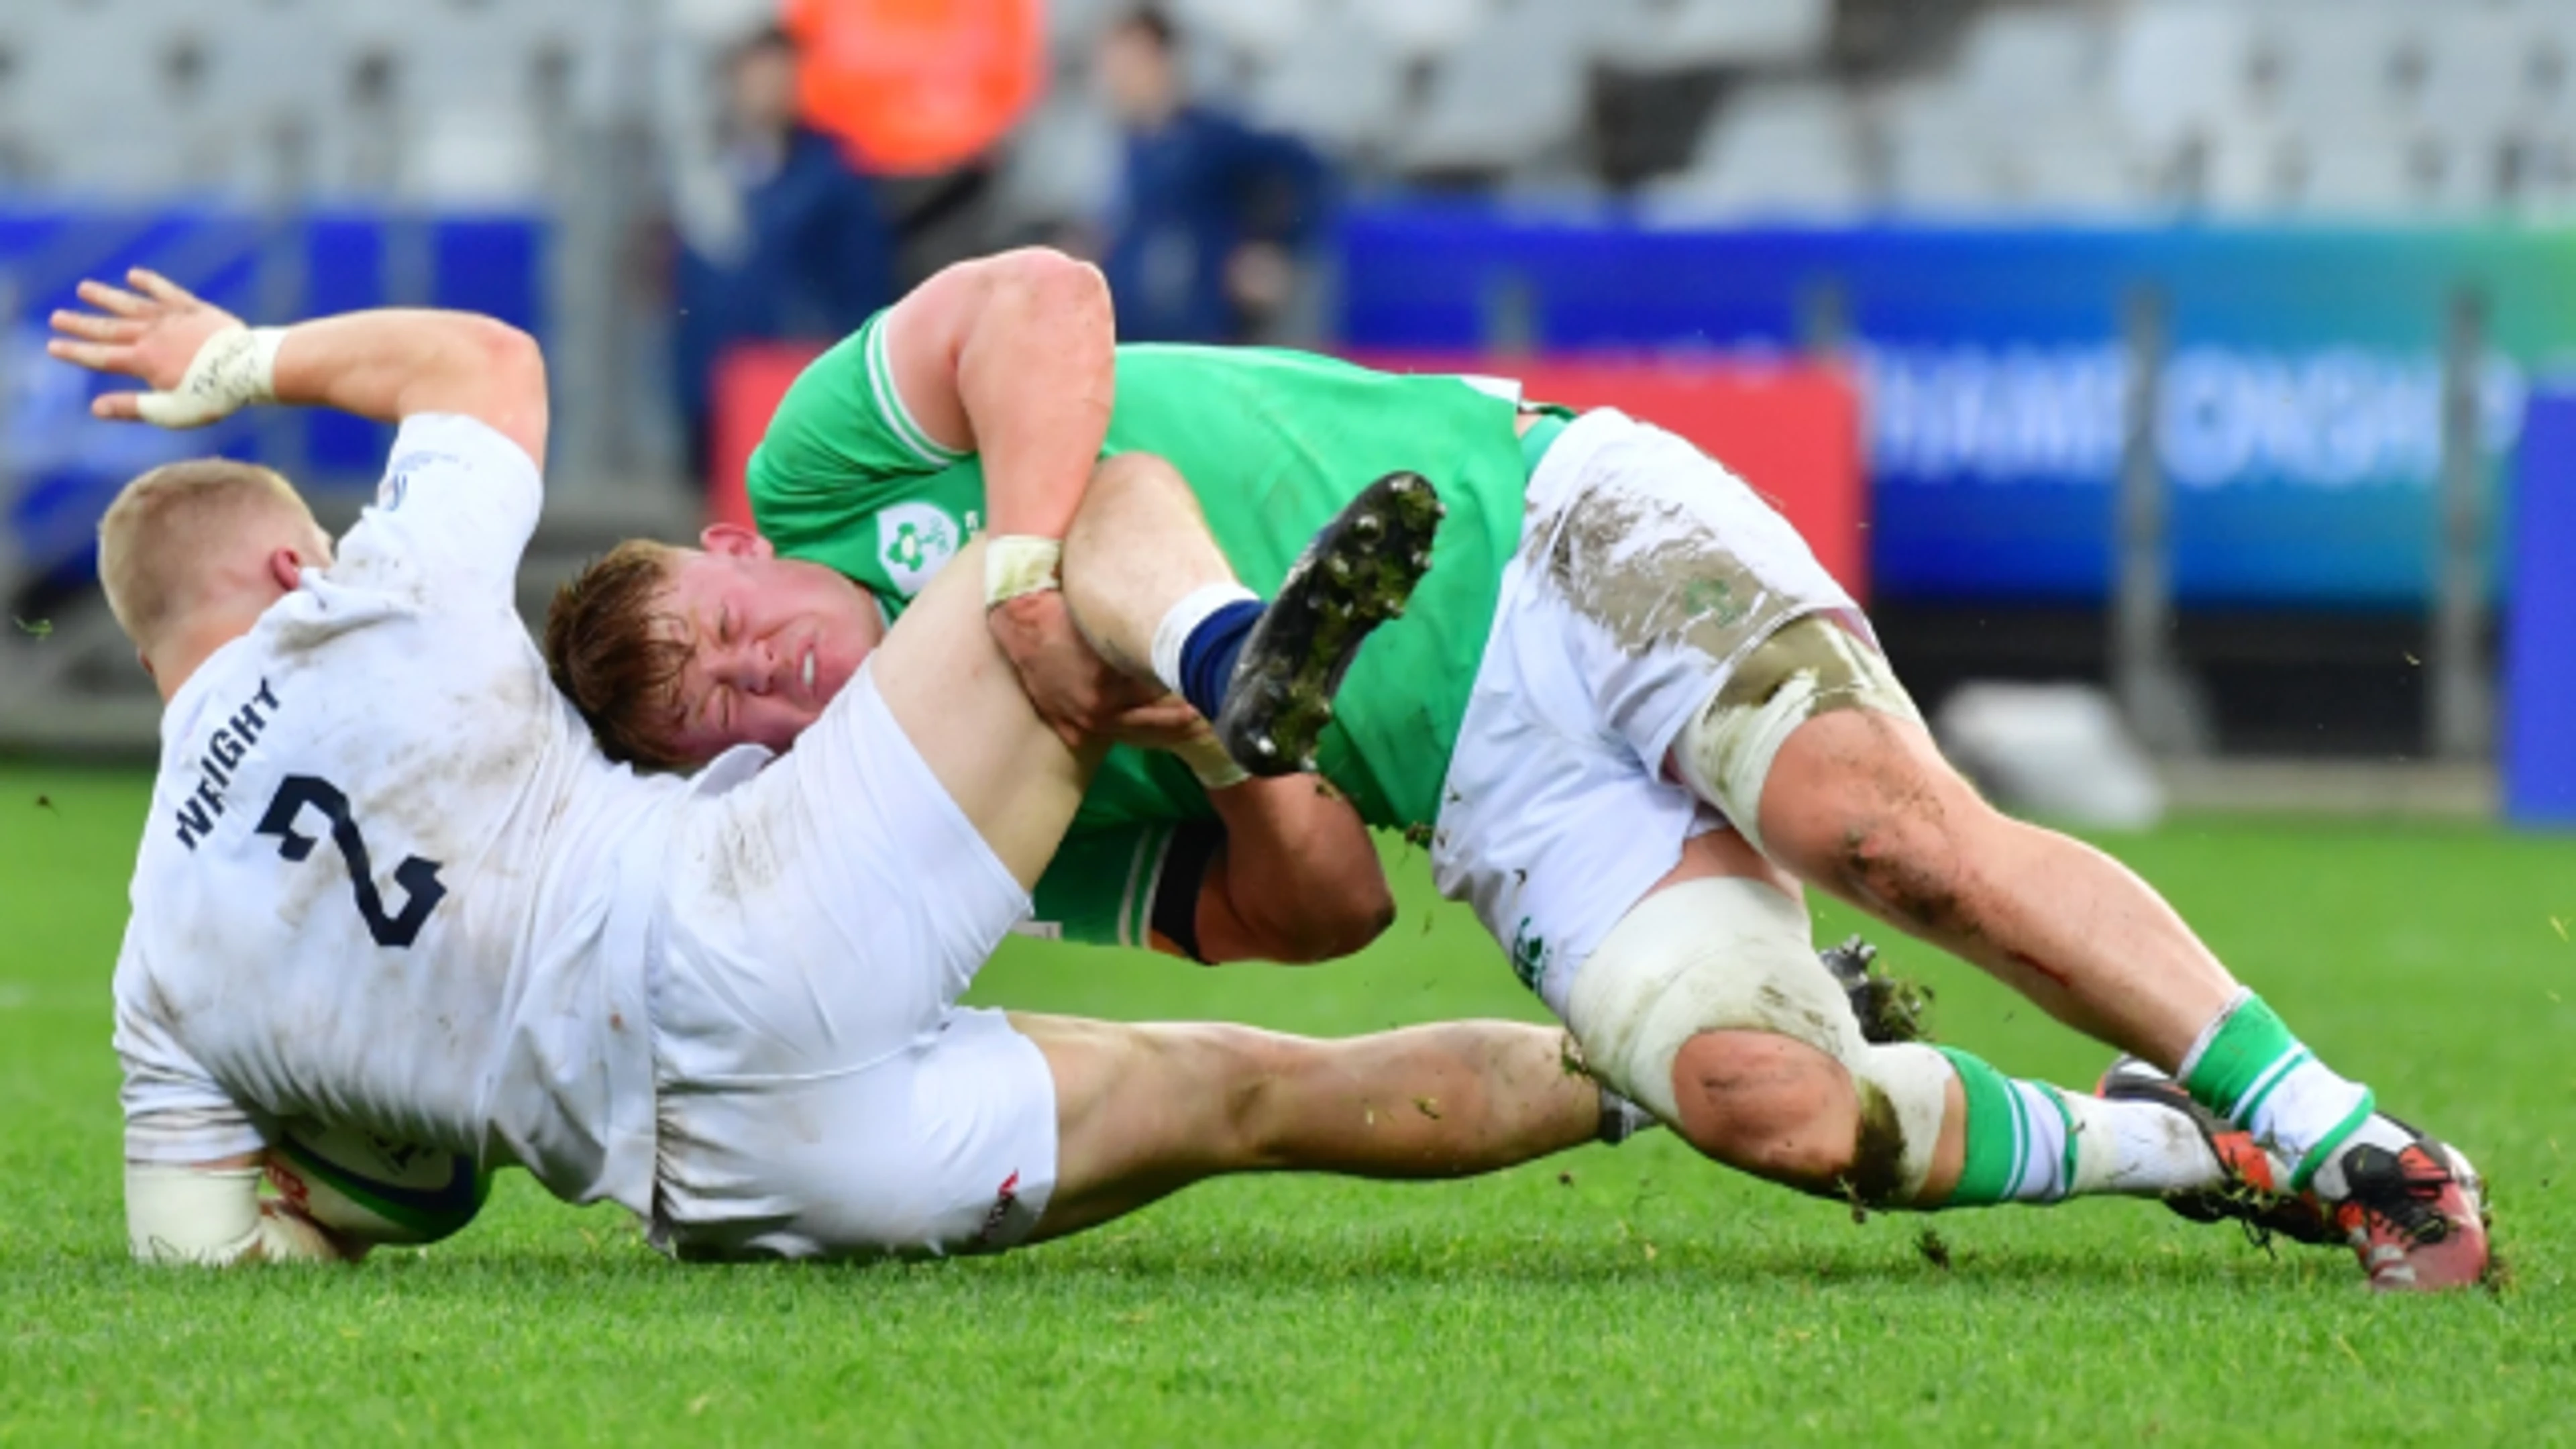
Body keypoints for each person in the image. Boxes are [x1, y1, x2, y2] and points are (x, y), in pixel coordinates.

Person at [549, 248, 2491, 1291]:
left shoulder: (820, 464)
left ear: (735, 549)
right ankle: (2180, 1143)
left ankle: (2344, 1132)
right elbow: (1320, 915)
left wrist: (1037, 571)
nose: (763, 688)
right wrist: (1216, 755)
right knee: (1772, 1106)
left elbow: (1047, 296)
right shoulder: (965, 823)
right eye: (719, 726)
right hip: (1495, 801)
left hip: (1546, 532)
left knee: (1878, 834)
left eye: (727, 641)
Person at [52, 263, 1641, 1267]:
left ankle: (1645, 1080)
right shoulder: (361, 607)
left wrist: (336, 1202)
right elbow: (486, 359)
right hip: (743, 929)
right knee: (1091, 516)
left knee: (1248, 1097)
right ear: (281, 574)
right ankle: (1222, 656)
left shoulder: (155, 979)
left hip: (734, 1176)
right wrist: (245, 352)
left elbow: (197, 1248)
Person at [671, 25, 895, 476]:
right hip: (715, 377)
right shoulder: (706, 168)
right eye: (756, 75)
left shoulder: (832, 171)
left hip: (794, 375)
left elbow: (862, 277)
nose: (767, 89)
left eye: (780, 76)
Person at [1093, 5, 1328, 343]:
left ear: (1163, 61)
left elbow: (1310, 171)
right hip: (1138, 334)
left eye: (1129, 64)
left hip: (1202, 336)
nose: (1116, 77)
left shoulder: (1214, 136)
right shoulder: (1132, 147)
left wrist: (1279, 249)